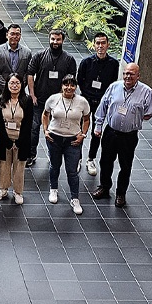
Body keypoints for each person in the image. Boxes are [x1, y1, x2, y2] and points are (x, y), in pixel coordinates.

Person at [91, 63, 152, 208]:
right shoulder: (114, 87)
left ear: (138, 76)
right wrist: (98, 125)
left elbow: (148, 114)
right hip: (111, 132)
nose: (128, 76)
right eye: (126, 73)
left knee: (125, 165)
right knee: (105, 161)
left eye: (131, 74)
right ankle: (104, 187)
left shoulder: (146, 92)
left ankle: (121, 193)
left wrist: (134, 116)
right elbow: (103, 106)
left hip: (129, 136)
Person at [26, 29, 77, 166]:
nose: (55, 42)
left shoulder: (69, 59)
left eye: (58, 39)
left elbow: (71, 81)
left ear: (62, 41)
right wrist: (32, 94)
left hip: (59, 104)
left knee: (55, 131)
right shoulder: (39, 56)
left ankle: (53, 156)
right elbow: (30, 74)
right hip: (39, 101)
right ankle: (31, 155)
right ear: (49, 39)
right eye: (53, 39)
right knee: (33, 129)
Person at [42, 75, 90, 215]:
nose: (69, 88)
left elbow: (86, 119)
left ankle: (75, 198)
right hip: (54, 138)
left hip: (73, 140)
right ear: (61, 86)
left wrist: (83, 134)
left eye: (72, 85)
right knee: (54, 165)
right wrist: (45, 130)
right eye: (66, 85)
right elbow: (45, 115)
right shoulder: (53, 99)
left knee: (72, 170)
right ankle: (53, 189)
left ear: (76, 87)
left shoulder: (82, 101)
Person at [76, 33, 119, 176]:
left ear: (108, 45)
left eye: (103, 43)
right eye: (98, 43)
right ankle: (78, 158)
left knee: (97, 131)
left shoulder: (113, 64)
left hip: (102, 102)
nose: (100, 46)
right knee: (81, 130)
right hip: (86, 101)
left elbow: (113, 84)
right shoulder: (86, 62)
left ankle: (91, 158)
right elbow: (80, 81)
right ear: (94, 45)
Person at [0, 73, 33, 204]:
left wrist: (19, 141)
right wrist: (7, 140)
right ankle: (3, 189)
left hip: (22, 139)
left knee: (19, 166)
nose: (14, 86)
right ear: (7, 85)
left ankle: (18, 191)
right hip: (5, 138)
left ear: (22, 85)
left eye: (17, 83)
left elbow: (28, 123)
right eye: (11, 83)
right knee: (3, 165)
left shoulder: (27, 100)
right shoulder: (0, 100)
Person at [0, 24, 32, 93]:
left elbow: (27, 72)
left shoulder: (27, 52)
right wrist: (7, 87)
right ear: (7, 35)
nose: (15, 36)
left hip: (19, 91)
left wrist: (19, 86)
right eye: (12, 34)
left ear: (20, 36)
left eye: (17, 34)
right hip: (1, 91)